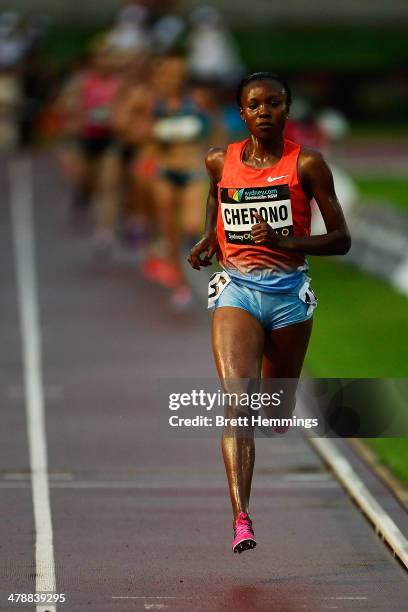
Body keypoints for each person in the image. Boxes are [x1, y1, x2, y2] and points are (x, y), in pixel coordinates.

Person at [188, 72, 351, 554]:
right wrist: (208, 239)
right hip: (236, 291)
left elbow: (341, 240)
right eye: (254, 105)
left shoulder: (309, 165)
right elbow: (215, 203)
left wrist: (287, 241)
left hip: (288, 295)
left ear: (287, 109)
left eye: (274, 103)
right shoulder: (220, 160)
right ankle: (241, 517)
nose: (264, 111)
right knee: (239, 406)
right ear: (241, 113)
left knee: (274, 412)